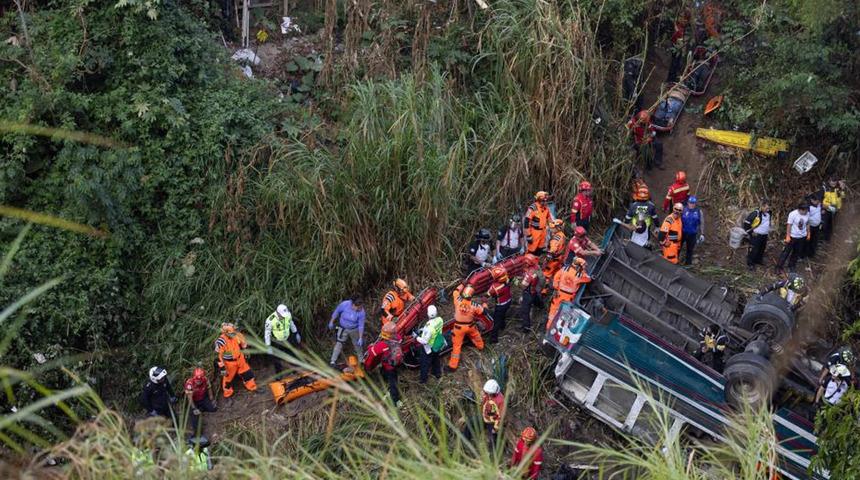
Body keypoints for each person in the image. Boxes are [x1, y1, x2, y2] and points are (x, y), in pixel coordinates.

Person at [447, 285, 487, 371]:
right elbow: (484, 312)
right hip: (470, 326)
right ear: (472, 295)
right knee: (476, 336)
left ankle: (453, 366)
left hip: (458, 328)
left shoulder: (458, 300)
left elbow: (455, 291)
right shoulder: (475, 305)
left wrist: (462, 284)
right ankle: (480, 346)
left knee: (457, 346)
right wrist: (484, 303)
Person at [365, 322, 403, 407]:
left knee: (393, 383)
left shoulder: (382, 345)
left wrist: (370, 346)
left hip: (389, 366)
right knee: (390, 377)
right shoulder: (398, 338)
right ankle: (390, 391)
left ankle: (396, 402)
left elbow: (373, 352)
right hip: (396, 363)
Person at [214, 323, 257, 398]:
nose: (234, 334)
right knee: (227, 379)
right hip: (229, 363)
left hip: (240, 359)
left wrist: (246, 352)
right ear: (225, 333)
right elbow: (219, 357)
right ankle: (228, 394)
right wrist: (223, 368)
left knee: (247, 373)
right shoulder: (221, 341)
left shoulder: (237, 335)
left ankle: (252, 387)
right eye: (232, 333)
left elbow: (243, 344)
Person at [547, 258, 591, 329]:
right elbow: (588, 279)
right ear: (579, 266)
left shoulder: (565, 269)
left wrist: (556, 288)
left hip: (558, 294)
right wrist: (583, 271)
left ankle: (548, 328)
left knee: (553, 312)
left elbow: (556, 277)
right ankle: (558, 329)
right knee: (564, 314)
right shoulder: (579, 275)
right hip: (568, 297)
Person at [264, 304, 301, 374]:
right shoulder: (270, 320)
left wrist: (296, 333)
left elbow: (291, 324)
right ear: (277, 313)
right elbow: (267, 334)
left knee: (292, 354)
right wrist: (268, 346)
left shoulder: (288, 315)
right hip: (277, 341)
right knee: (277, 359)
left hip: (287, 339)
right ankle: (279, 374)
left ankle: (294, 370)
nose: (284, 317)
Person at [329, 297, 366, 365]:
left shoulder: (361, 312)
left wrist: (360, 337)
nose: (359, 309)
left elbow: (361, 325)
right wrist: (331, 321)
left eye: (360, 307)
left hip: (354, 329)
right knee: (339, 343)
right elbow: (337, 311)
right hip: (343, 328)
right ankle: (333, 361)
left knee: (357, 345)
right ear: (353, 305)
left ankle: (361, 360)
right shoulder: (345, 304)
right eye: (358, 307)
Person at [775, 202, 810, 273]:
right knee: (786, 252)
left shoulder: (807, 214)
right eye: (805, 211)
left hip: (802, 236)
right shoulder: (793, 214)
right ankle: (778, 267)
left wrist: (808, 233)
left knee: (796, 252)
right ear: (800, 210)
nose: (806, 212)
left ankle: (791, 266)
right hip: (793, 236)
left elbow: (807, 223)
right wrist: (788, 236)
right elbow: (789, 225)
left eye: (807, 210)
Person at [184, 367, 217, 433]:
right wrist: (194, 408)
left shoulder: (205, 379)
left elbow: (209, 389)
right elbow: (189, 398)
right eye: (197, 380)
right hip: (193, 401)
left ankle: (201, 409)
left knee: (213, 409)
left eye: (200, 380)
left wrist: (212, 400)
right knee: (195, 414)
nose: (198, 381)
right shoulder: (189, 384)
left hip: (203, 398)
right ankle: (196, 431)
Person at [416, 305, 444, 383]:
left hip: (429, 347)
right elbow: (434, 328)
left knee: (424, 363)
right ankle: (437, 373)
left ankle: (423, 380)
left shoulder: (429, 326)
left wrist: (416, 337)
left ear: (428, 314)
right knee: (436, 359)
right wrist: (423, 329)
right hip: (437, 343)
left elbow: (424, 341)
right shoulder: (440, 320)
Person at [518, 254, 544, 332]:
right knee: (536, 299)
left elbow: (523, 286)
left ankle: (526, 327)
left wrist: (517, 282)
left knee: (525, 311)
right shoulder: (537, 267)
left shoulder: (529, 274)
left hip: (528, 293)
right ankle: (541, 306)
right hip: (535, 290)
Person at [743, 200, 771, 271]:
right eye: (766, 208)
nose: (768, 210)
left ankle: (758, 260)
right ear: (762, 206)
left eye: (768, 208)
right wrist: (750, 232)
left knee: (762, 248)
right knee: (754, 249)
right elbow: (747, 223)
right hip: (756, 235)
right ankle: (750, 263)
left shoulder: (768, 213)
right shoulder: (755, 213)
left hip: (764, 235)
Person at [487, 266, 513, 343]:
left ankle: (494, 339)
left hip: (500, 305)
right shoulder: (507, 280)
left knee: (496, 321)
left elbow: (488, 295)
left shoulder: (494, 287)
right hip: (508, 301)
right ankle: (503, 326)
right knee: (503, 315)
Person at [541, 219, 567, 295]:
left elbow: (552, 252)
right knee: (557, 274)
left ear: (558, 228)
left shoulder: (555, 239)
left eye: (553, 228)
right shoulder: (562, 235)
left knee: (546, 274)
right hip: (560, 258)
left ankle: (544, 291)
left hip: (554, 260)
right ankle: (557, 288)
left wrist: (546, 261)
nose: (551, 229)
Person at [524, 191, 554, 255]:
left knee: (540, 250)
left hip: (543, 232)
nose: (545, 202)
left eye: (546, 201)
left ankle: (537, 263)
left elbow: (549, 219)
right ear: (539, 200)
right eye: (544, 201)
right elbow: (526, 222)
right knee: (531, 250)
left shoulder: (546, 208)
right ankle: (528, 263)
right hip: (534, 233)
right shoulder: (532, 208)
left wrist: (553, 229)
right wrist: (528, 235)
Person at [820, 177, 846, 241]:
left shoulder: (838, 188)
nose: (833, 182)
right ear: (829, 181)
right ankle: (823, 239)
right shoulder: (825, 188)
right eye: (832, 181)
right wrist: (824, 208)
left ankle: (829, 240)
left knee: (832, 225)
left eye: (835, 181)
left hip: (836, 210)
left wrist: (842, 189)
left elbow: (842, 197)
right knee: (825, 225)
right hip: (826, 209)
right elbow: (820, 199)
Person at [481, 379, 505, 451]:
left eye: (490, 394)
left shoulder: (501, 400)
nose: (488, 395)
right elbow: (483, 405)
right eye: (487, 393)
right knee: (470, 423)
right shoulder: (487, 394)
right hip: (485, 416)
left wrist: (495, 428)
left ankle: (492, 457)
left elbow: (500, 416)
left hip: (492, 421)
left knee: (492, 439)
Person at [680, 195, 704, 265]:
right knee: (678, 247)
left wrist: (702, 234)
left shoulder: (699, 211)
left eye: (693, 203)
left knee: (690, 250)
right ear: (688, 203)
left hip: (692, 234)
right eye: (690, 203)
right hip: (683, 233)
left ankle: (688, 264)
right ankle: (675, 261)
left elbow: (702, 222)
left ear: (695, 203)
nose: (691, 204)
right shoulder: (683, 210)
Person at [805, 194, 822, 258]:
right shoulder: (809, 208)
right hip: (810, 227)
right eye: (816, 201)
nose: (818, 202)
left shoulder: (819, 205)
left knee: (814, 240)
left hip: (817, 226)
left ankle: (811, 254)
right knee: (808, 240)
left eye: (818, 200)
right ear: (812, 200)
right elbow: (806, 217)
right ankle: (805, 254)